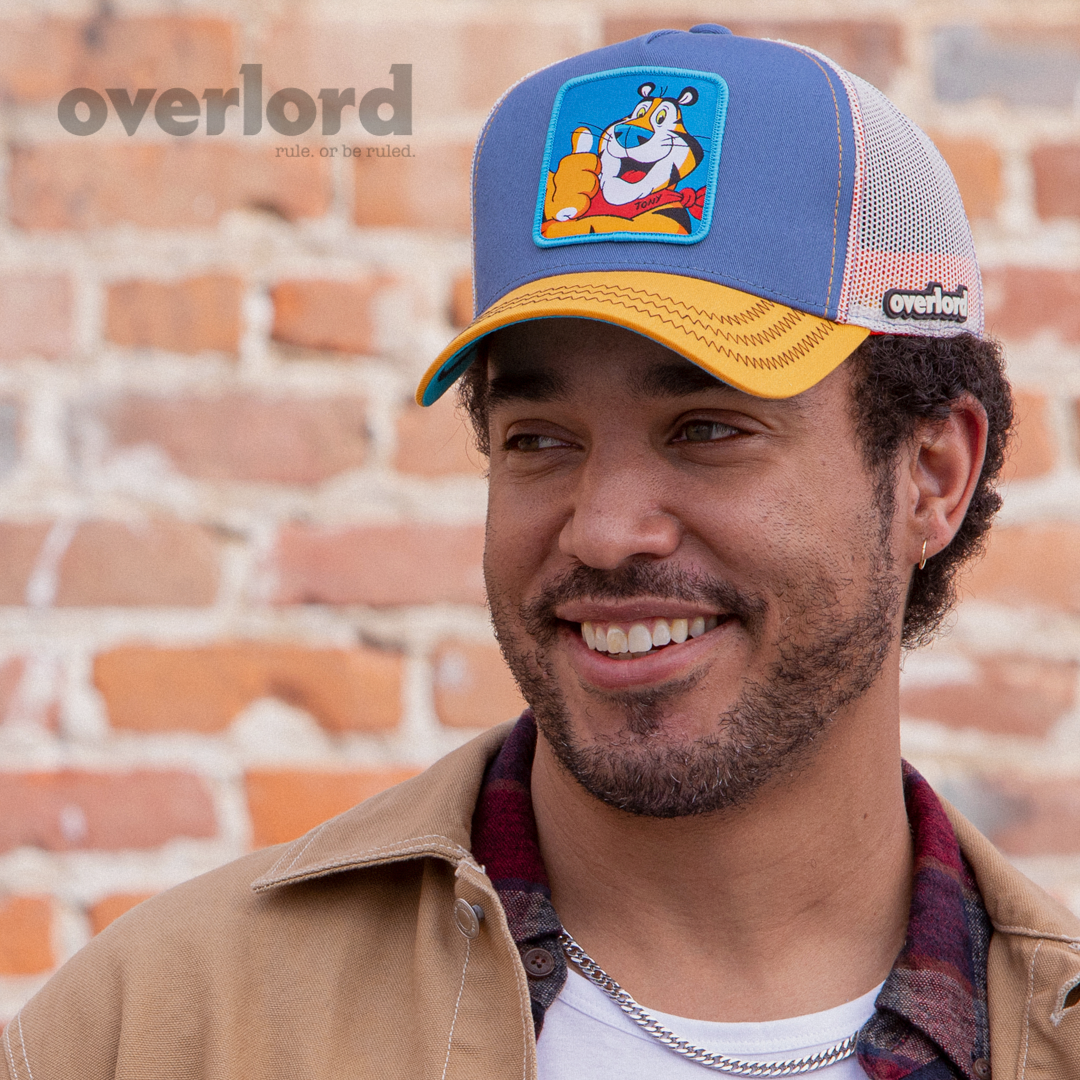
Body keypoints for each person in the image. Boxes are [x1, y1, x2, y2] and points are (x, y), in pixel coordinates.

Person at [6, 25, 1079, 1080]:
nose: (605, 530)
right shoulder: (156, 1030)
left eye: (708, 428)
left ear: (932, 475)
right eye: (539, 440)